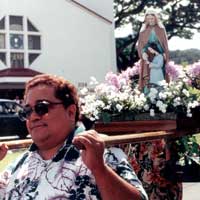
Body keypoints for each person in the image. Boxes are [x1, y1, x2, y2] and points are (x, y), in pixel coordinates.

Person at [0, 74, 148, 200]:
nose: (33, 117)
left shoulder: (101, 151)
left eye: (41, 108)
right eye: (27, 111)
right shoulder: (18, 164)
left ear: (70, 112)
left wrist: (100, 170)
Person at [137, 9, 169, 91]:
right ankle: (148, 94)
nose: (150, 20)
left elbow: (164, 43)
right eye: (148, 19)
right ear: (146, 19)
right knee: (147, 73)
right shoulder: (143, 30)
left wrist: (164, 53)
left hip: (159, 53)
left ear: (155, 18)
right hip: (147, 54)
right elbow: (140, 44)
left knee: (159, 73)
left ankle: (160, 94)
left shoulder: (161, 29)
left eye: (152, 18)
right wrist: (143, 52)